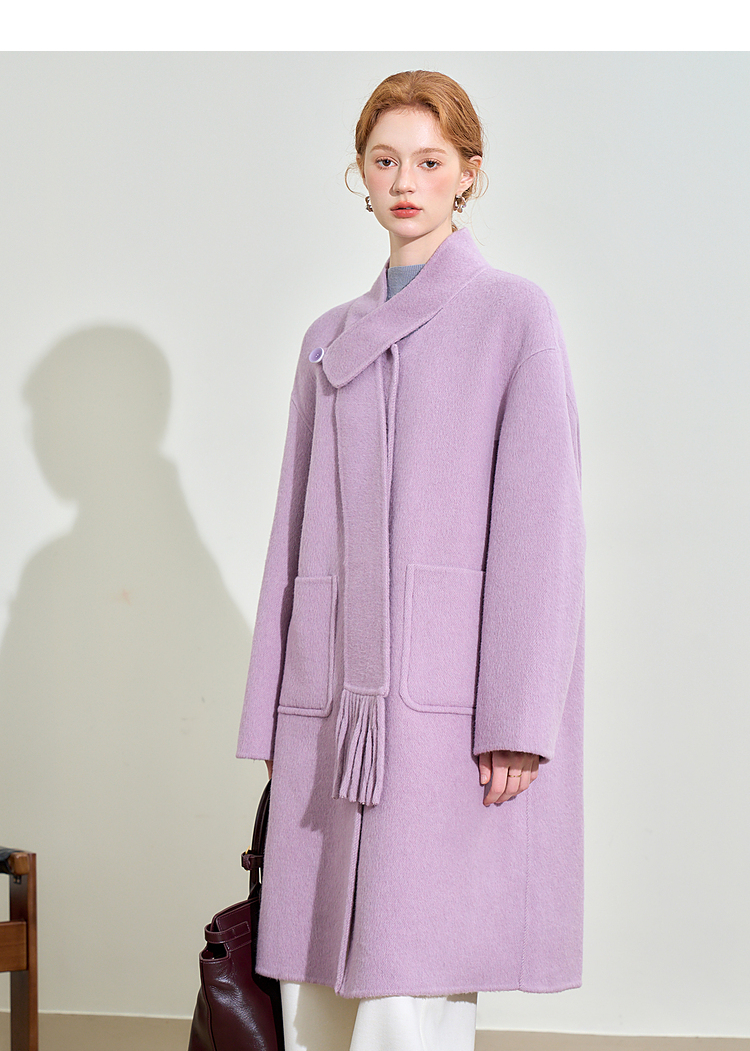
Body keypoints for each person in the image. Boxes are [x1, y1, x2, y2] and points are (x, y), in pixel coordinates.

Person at [236, 70, 585, 1051]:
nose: (405, 182)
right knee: (314, 970)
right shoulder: (328, 340)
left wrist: (518, 719)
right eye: (384, 160)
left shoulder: (514, 316)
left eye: (430, 162)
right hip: (330, 700)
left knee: (411, 963)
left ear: (468, 173)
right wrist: (273, 709)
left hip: (446, 701)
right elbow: (291, 531)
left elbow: (542, 533)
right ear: (360, 172)